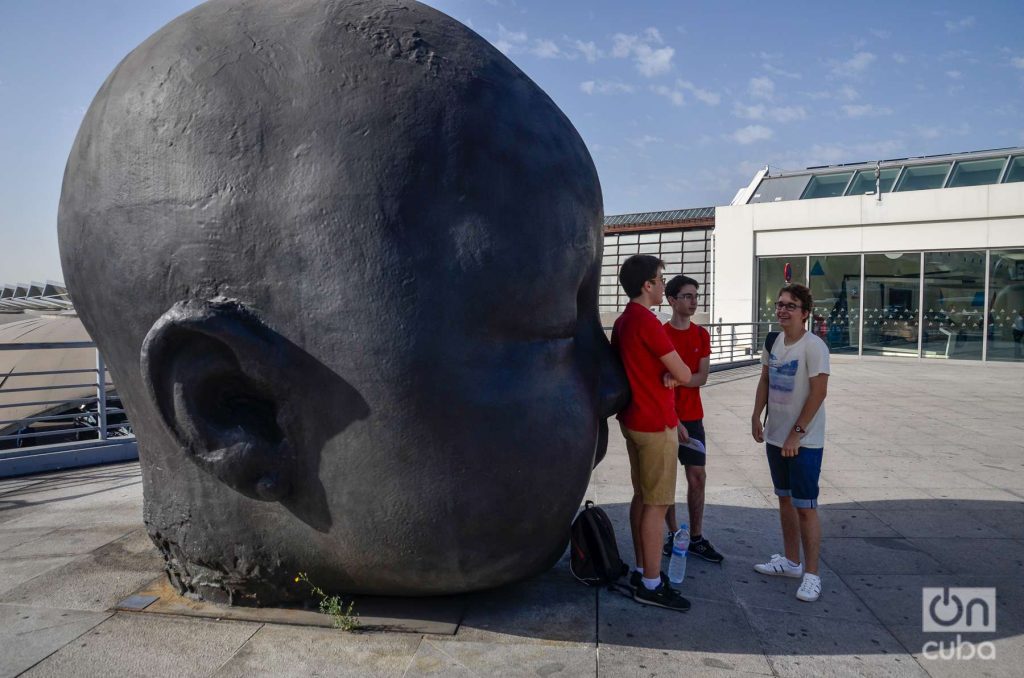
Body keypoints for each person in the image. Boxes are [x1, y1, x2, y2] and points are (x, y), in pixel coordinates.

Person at [611, 255, 693, 611]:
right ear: (647, 285)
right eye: (661, 280)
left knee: (642, 497)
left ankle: (642, 568)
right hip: (656, 424)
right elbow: (686, 373)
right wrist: (675, 375)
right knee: (658, 504)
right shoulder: (647, 322)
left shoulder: (623, 321)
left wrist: (670, 375)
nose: (664, 286)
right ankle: (651, 583)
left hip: (633, 420)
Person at [750, 283, 830, 602]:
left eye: (790, 306)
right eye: (780, 304)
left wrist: (796, 433)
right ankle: (791, 561)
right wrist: (756, 416)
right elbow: (765, 381)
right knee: (784, 499)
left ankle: (812, 575)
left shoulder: (814, 347)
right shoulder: (773, 341)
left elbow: (819, 392)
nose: (782, 310)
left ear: (805, 313)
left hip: (804, 441)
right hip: (775, 436)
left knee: (805, 507)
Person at [660, 275, 724, 564]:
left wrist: (676, 379)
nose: (693, 300)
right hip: (665, 419)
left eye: (695, 295)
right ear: (671, 300)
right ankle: (674, 534)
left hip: (694, 418)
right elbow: (656, 384)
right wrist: (674, 418)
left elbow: (702, 377)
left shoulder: (701, 335)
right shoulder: (660, 334)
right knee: (666, 481)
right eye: (686, 296)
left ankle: (696, 537)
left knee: (697, 477)